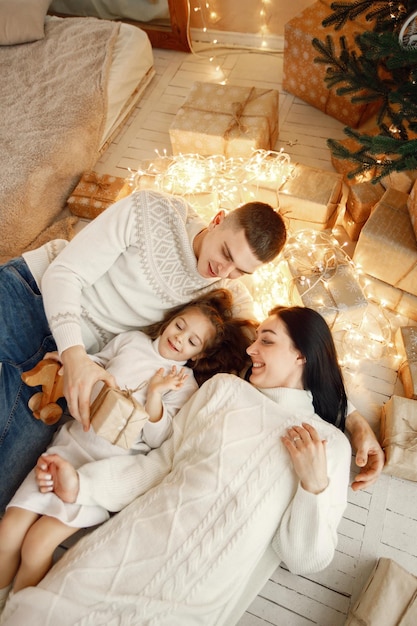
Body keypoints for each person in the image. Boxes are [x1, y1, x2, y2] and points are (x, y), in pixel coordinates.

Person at [0, 188, 383, 512]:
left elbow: (288, 347)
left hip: (73, 366)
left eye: (240, 271)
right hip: (32, 297)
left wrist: (352, 420)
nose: (224, 272)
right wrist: (75, 355)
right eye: (227, 254)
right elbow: (65, 274)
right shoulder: (150, 210)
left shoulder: (227, 292)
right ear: (217, 220)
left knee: (9, 477)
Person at [0, 306, 354, 625]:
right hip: (122, 550)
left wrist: (313, 486)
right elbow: (160, 464)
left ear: (301, 355)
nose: (251, 349)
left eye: (267, 341)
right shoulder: (225, 390)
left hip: (193, 598)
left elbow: (304, 559)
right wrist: (82, 485)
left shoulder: (330, 446)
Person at [0, 288, 256, 606]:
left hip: (102, 474)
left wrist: (155, 394)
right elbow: (95, 364)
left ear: (198, 355)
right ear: (169, 320)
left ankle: (15, 613)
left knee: (37, 544)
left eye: (192, 341)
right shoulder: (132, 341)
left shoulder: (183, 383)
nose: (180, 338)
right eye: (180, 326)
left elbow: (157, 439)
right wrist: (68, 361)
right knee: (10, 528)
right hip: (68, 448)